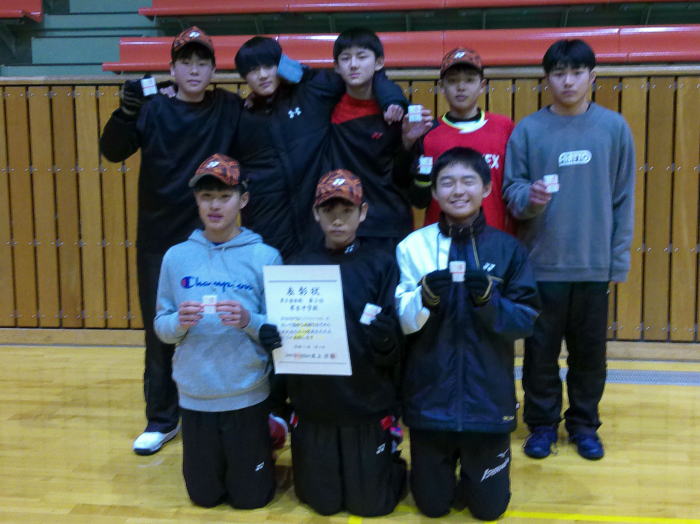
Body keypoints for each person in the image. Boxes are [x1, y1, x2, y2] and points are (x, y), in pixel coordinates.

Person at [100, 27, 244, 455]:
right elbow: (112, 150)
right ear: (172, 69)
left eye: (202, 63)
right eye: (186, 62)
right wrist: (126, 111)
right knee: (161, 326)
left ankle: (223, 406)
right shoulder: (151, 107)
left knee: (221, 320)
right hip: (159, 237)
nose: (194, 70)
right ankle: (162, 419)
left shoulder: (228, 107)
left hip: (216, 237)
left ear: (214, 70)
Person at [503, 39, 635, 460]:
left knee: (589, 357)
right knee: (540, 356)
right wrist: (529, 199)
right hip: (541, 267)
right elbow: (511, 191)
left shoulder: (614, 128)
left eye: (577, 72)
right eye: (559, 73)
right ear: (546, 79)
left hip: (593, 267)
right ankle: (542, 426)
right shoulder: (528, 130)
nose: (568, 81)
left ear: (592, 76)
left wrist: (616, 260)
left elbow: (623, 199)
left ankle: (583, 426)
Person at [395, 147, 539, 520]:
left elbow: (525, 320)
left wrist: (490, 301)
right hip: (430, 403)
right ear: (434, 192)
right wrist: (424, 300)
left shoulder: (508, 250)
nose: (458, 190)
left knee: (489, 511)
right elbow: (400, 322)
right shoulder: (412, 247)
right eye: (447, 182)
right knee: (432, 507)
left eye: (467, 181)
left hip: (487, 403)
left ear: (486, 188)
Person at [260, 170, 406, 517]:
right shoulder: (297, 266)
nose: (338, 219)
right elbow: (285, 341)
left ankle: (391, 460)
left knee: (372, 506)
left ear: (363, 212)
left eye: (347, 210)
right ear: (316, 213)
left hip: (366, 406)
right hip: (314, 408)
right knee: (321, 504)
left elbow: (396, 349)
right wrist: (273, 341)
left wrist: (387, 340)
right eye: (329, 210)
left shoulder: (382, 265)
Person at [154, 154, 282, 509]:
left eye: (224, 196)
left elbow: (279, 330)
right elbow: (162, 327)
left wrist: (248, 320)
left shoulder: (265, 256)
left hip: (247, 395)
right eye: (206, 196)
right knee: (203, 498)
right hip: (195, 396)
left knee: (252, 499)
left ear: (243, 200)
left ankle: (271, 434)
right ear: (196, 201)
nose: (214, 205)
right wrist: (179, 322)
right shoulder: (176, 257)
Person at [231, 35, 407, 259]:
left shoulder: (312, 91)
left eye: (269, 66)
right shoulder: (242, 116)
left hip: (319, 224)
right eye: (253, 70)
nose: (263, 75)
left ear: (281, 66)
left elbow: (364, 77)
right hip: (269, 227)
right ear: (244, 77)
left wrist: (391, 98)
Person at [325, 28, 427, 251]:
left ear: (379, 62)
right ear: (336, 67)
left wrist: (408, 143)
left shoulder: (399, 112)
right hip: (345, 224)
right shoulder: (327, 107)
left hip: (391, 223)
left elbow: (405, 179)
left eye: (362, 57)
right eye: (345, 58)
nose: (353, 65)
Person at [405, 47, 515, 233]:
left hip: (492, 237)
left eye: (469, 80)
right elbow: (419, 200)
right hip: (441, 239)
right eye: (453, 81)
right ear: (442, 87)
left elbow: (513, 189)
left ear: (482, 85)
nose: (461, 87)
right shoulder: (428, 132)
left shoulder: (504, 127)